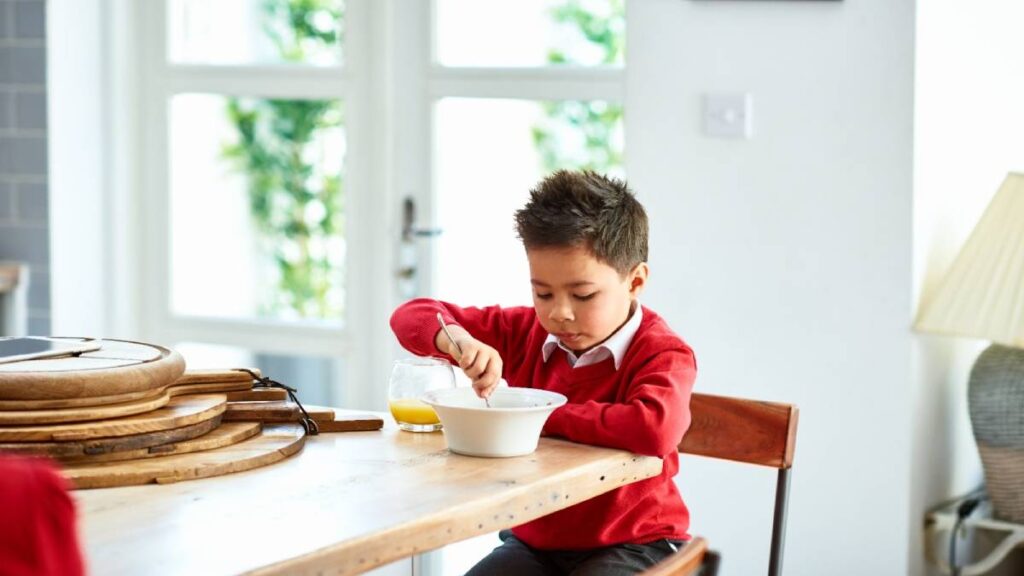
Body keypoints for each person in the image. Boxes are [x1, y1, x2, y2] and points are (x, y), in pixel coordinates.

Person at [389, 170, 697, 576]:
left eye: (583, 295)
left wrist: (531, 416)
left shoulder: (663, 352)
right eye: (543, 292)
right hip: (536, 544)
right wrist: (457, 340)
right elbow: (410, 315)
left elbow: (654, 428)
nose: (559, 313)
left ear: (635, 281)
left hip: (637, 543)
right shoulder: (524, 332)